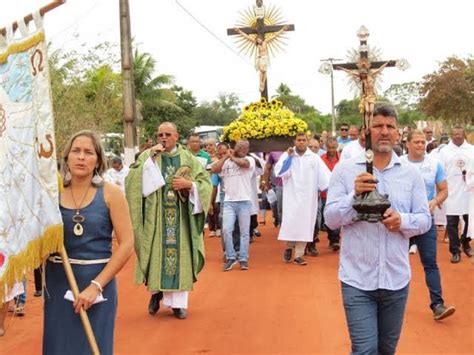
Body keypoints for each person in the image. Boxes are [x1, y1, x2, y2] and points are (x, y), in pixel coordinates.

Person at [324, 103, 431, 354]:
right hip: (357, 279)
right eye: (378, 126)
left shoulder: (411, 174)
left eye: (390, 126)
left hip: (396, 279)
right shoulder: (345, 170)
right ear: (366, 131)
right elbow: (329, 219)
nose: (384, 131)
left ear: (398, 133)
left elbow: (424, 219)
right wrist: (353, 196)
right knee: (364, 350)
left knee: (386, 350)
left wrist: (401, 221)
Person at [43, 130, 134, 355]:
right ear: (66, 158)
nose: (81, 157)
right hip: (59, 280)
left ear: (98, 161)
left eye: (88, 152)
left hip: (98, 284)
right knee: (58, 346)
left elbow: (126, 244)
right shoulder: (50, 195)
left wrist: (96, 286)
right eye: (76, 151)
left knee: (94, 346)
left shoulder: (111, 194)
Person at [126, 122, 211, 319]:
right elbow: (132, 180)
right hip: (156, 217)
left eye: (167, 134)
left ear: (176, 136)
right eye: (160, 135)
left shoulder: (188, 158)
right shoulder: (149, 155)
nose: (163, 138)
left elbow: (204, 183)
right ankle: (156, 294)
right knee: (155, 254)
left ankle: (178, 305)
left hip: (180, 219)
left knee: (180, 257)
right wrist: (150, 161)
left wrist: (189, 185)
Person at [401, 130, 455, 320]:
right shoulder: (398, 163)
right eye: (416, 142)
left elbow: (444, 189)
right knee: (394, 260)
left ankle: (438, 305)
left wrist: (434, 201)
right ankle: (384, 302)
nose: (420, 145)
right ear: (407, 144)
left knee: (430, 264)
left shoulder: (434, 164)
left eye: (423, 142)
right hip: (402, 222)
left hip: (425, 221)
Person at [276, 132, 331, 265]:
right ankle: (289, 246)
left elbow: (326, 178)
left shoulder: (314, 158)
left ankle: (299, 254)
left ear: (307, 142)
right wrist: (289, 158)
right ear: (294, 142)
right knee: (291, 222)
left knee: (305, 224)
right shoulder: (288, 154)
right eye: (299, 140)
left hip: (308, 197)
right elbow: (280, 172)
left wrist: (328, 189)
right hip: (292, 195)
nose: (301, 142)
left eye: (303, 140)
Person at [211, 140, 255, 271]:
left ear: (247, 150)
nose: (242, 148)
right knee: (226, 230)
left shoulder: (249, 159)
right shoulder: (226, 161)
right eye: (240, 146)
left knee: (244, 232)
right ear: (235, 147)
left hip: (244, 201)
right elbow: (214, 169)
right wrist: (225, 157)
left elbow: (244, 164)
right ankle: (230, 257)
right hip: (229, 201)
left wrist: (231, 157)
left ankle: (243, 258)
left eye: (245, 147)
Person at [438, 126, 473, 263]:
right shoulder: (445, 151)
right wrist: (440, 193)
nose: (457, 136)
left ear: (464, 134)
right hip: (450, 192)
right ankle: (455, 250)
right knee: (452, 223)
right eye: (454, 134)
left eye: (459, 134)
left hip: (468, 192)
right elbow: (439, 173)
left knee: (468, 221)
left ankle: (465, 242)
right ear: (451, 135)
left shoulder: (471, 150)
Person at [234, 25, 289, 93]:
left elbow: (274, 35)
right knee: (261, 71)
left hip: (265, 57)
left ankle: (263, 82)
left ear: (261, 38)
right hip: (260, 58)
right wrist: (239, 31)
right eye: (257, 40)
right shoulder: (257, 44)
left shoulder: (265, 42)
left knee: (264, 71)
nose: (258, 41)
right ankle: (261, 83)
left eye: (259, 39)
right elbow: (247, 37)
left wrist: (282, 29)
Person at [316, 137, 341, 251]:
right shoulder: (320, 160)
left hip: (338, 193)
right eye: (330, 147)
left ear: (337, 147)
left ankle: (334, 240)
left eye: (334, 147)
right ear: (326, 147)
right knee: (326, 216)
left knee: (336, 214)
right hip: (324, 193)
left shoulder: (342, 159)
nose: (331, 150)